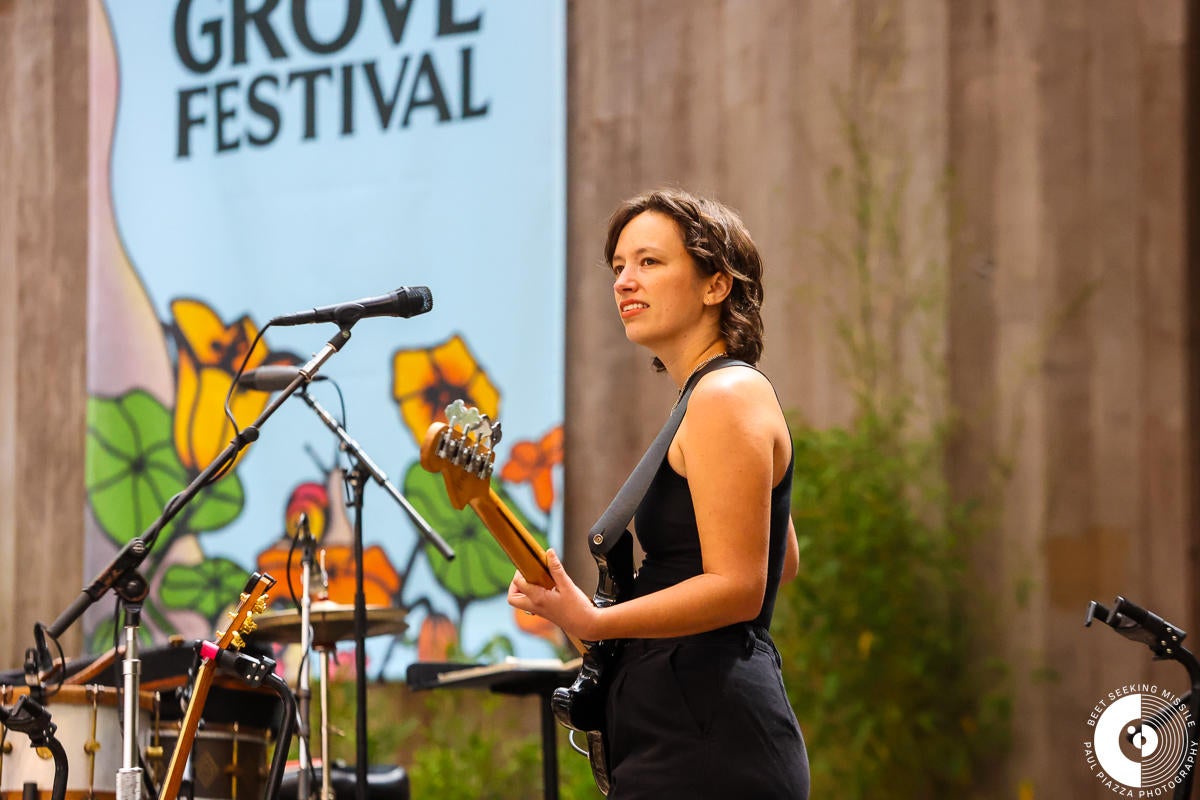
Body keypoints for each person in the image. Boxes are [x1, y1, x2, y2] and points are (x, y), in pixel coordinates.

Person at [508, 187, 810, 798]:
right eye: (619, 266)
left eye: (649, 262)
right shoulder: (706, 397)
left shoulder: (725, 396)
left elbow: (740, 586)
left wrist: (596, 619)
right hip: (687, 728)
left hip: (708, 740)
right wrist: (578, 615)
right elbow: (781, 561)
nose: (624, 281)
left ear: (716, 285)